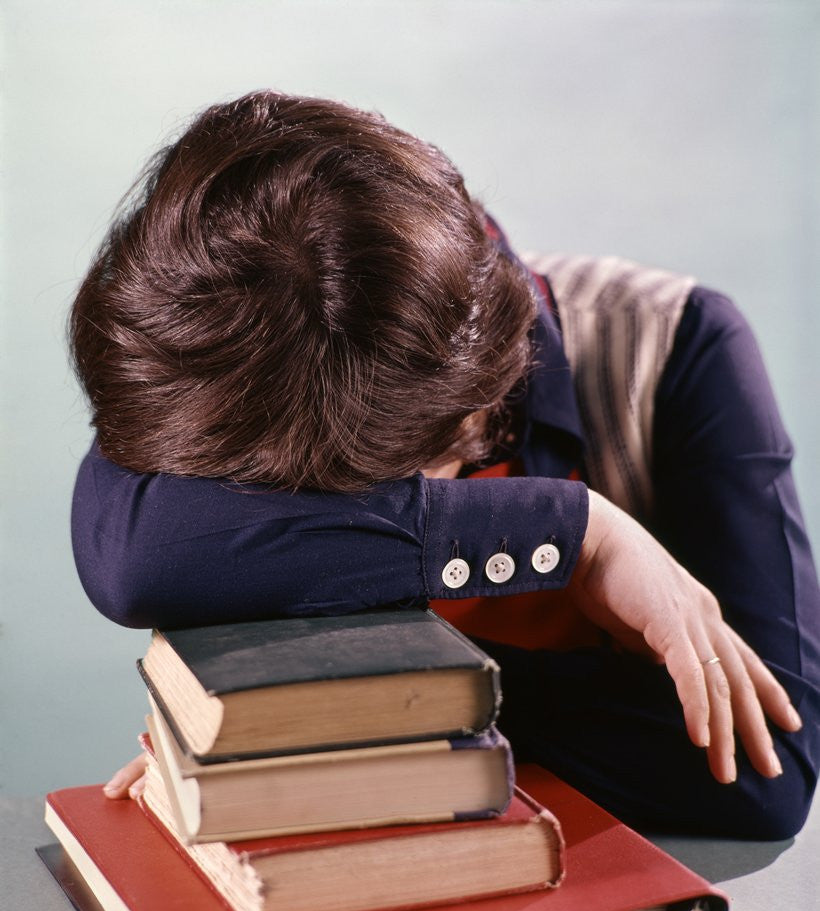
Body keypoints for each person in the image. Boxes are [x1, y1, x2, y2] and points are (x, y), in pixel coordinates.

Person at [70, 91, 820, 839]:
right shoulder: (221, 378)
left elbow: (765, 770)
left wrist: (329, 715)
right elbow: (136, 562)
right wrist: (577, 532)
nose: (332, 523)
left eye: (367, 497)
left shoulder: (678, 345)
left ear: (479, 407)